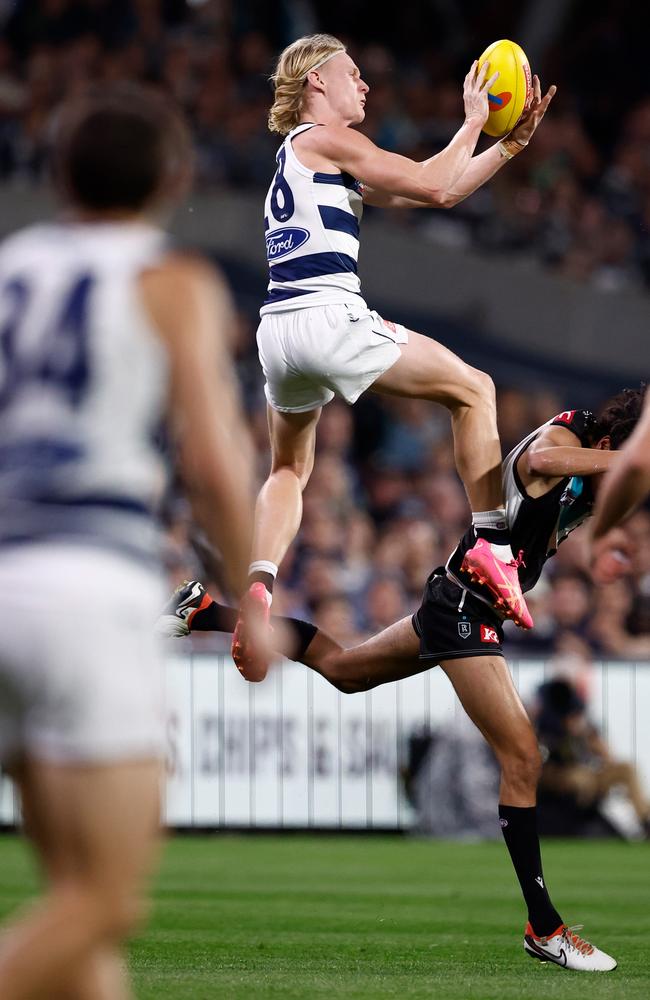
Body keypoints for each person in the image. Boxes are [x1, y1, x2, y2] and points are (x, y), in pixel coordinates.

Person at [162, 389, 646, 971]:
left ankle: (202, 611)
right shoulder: (567, 439)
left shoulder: (597, 464)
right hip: (466, 605)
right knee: (522, 756)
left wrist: (612, 539)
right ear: (610, 444)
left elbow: (584, 509)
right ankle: (545, 927)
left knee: (344, 670)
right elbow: (540, 462)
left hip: (460, 599)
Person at [0, 85, 255, 999]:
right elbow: (217, 466)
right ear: (172, 179)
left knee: (70, 902)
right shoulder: (172, 279)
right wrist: (252, 592)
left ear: (59, 171)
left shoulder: (11, 266)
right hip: (86, 585)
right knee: (108, 899)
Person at [232, 33, 558, 678]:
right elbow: (433, 185)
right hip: (329, 315)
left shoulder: (304, 156)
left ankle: (260, 583)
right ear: (316, 81)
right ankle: (492, 544)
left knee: (290, 471)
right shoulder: (326, 137)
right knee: (475, 388)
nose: (366, 85)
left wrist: (507, 145)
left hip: (278, 330)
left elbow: (438, 188)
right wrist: (471, 120)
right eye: (353, 73)